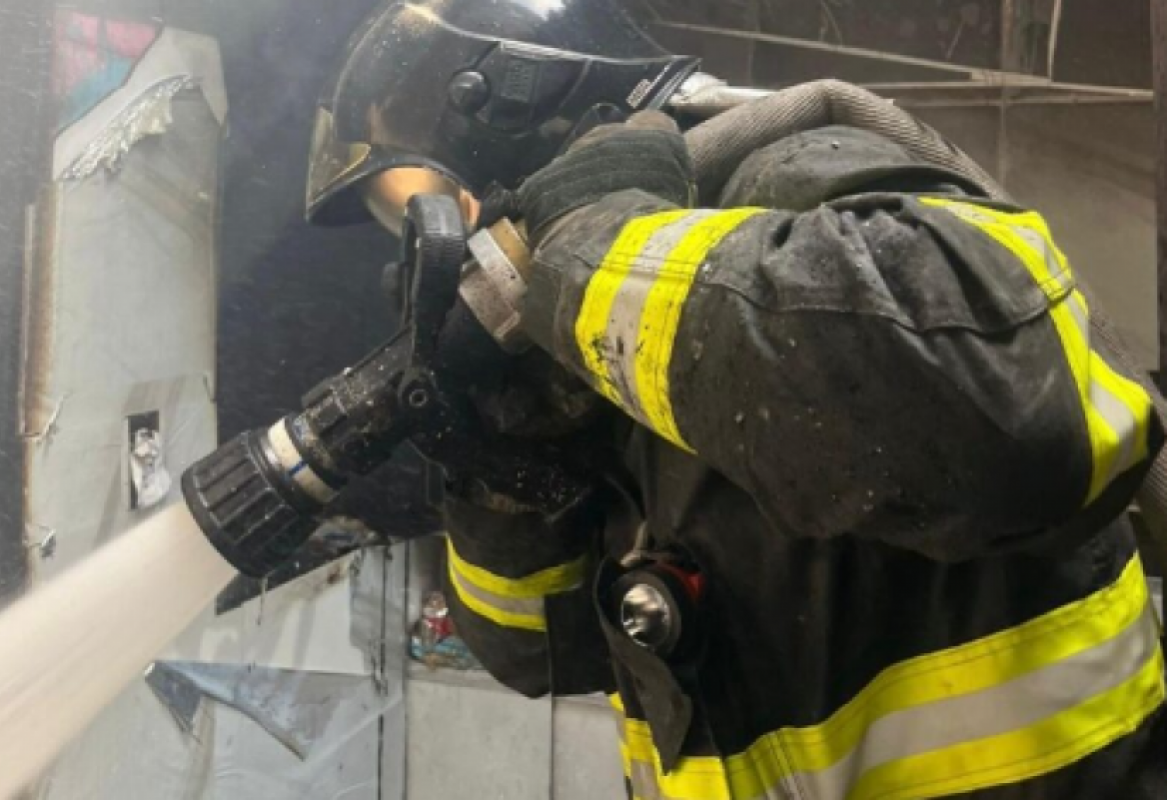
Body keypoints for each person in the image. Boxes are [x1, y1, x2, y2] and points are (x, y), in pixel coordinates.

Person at [308, 3, 1167, 796]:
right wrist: (502, 455)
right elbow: (537, 649)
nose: (446, 250)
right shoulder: (606, 339)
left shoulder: (800, 170)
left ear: (527, 124)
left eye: (438, 207)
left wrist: (589, 243)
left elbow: (1010, 420)